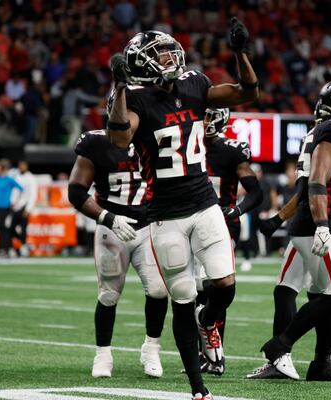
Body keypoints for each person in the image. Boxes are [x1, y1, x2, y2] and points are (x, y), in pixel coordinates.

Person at [106, 18, 259, 400]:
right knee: (183, 297)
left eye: (167, 49)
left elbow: (247, 93)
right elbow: (120, 137)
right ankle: (198, 387)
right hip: (165, 215)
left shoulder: (195, 84)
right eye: (157, 53)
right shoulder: (136, 100)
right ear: (142, 64)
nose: (169, 56)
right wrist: (121, 87)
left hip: (205, 205)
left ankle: (208, 322)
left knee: (225, 286)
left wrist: (240, 52)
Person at [247, 78, 331, 382]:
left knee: (316, 291)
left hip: (319, 218)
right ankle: (281, 348)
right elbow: (314, 184)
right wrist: (326, 221)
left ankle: (324, 363)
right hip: (317, 221)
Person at [67, 129, 169, 378]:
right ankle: (103, 354)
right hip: (112, 226)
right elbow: (76, 191)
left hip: (149, 225)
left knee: (158, 289)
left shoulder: (156, 136)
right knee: (109, 294)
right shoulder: (97, 142)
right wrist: (107, 217)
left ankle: (151, 349)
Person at [194, 107, 263, 375]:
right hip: (190, 224)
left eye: (211, 116)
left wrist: (237, 210)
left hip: (222, 226)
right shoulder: (186, 145)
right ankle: (204, 353)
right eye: (204, 115)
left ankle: (214, 353)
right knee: (194, 292)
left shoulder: (232, 151)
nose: (206, 121)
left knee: (215, 288)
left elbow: (256, 193)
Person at [10, 160, 38, 256]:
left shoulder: (30, 178)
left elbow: (33, 194)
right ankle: (20, 245)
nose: (21, 167)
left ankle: (23, 248)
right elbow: (14, 191)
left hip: (24, 206)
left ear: (26, 166)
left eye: (22, 165)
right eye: (20, 165)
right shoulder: (16, 176)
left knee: (23, 228)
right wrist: (12, 202)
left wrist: (29, 208)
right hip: (15, 207)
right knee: (11, 228)